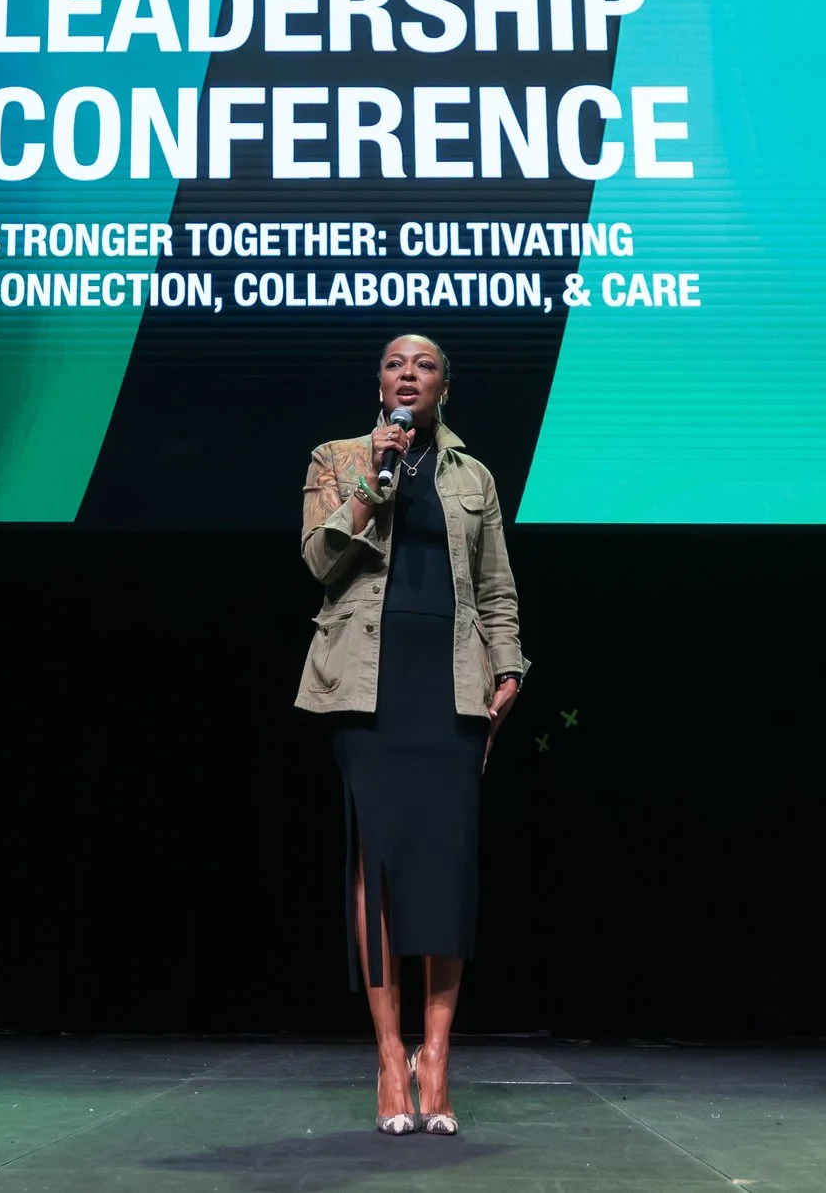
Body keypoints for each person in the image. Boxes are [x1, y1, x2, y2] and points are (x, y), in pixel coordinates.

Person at [298, 334, 527, 1136]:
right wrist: (374, 476)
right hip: (368, 688)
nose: (408, 374)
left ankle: (438, 1055)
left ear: (444, 387)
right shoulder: (337, 456)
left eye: (424, 364)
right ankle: (390, 1056)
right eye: (396, 363)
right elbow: (321, 557)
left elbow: (498, 588)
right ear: (381, 382)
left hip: (454, 689)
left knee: (447, 870)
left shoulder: (476, 477)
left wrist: (510, 669)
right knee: (380, 866)